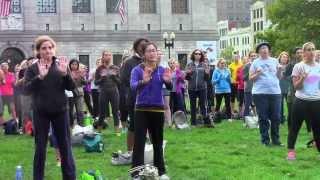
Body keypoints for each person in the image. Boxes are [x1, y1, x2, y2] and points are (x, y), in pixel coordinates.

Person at [23, 35, 75, 180]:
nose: (48, 51)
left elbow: (71, 88)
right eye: (44, 48)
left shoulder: (61, 65)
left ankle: (70, 177)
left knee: (65, 146)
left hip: (60, 111)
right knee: (40, 148)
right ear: (38, 51)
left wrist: (65, 74)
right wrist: (39, 77)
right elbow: (26, 90)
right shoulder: (33, 68)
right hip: (41, 112)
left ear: (54, 49)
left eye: (50, 47)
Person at [130, 42, 171, 180]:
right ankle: (136, 173)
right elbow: (133, 87)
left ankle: (161, 171)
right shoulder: (137, 70)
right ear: (144, 54)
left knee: (157, 141)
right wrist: (144, 81)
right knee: (139, 142)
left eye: (154, 50)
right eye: (149, 51)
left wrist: (168, 81)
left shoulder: (161, 70)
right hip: (141, 109)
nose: (152, 53)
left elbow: (169, 86)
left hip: (158, 110)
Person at [287, 42, 320, 160]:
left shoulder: (319, 67)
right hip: (301, 101)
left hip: (316, 101)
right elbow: (296, 87)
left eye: (313, 49)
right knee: (295, 127)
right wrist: (302, 78)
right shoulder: (298, 66)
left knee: (317, 129)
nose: (311, 52)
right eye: (308, 49)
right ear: (304, 52)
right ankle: (291, 152)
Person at [249, 42, 283, 146]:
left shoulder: (274, 61)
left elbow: (279, 77)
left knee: (276, 117)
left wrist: (280, 70)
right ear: (259, 51)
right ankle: (265, 141)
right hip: (260, 93)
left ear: (269, 50)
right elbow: (251, 78)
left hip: (275, 92)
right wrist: (258, 73)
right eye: (262, 48)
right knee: (263, 117)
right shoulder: (255, 63)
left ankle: (276, 140)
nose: (264, 50)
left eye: (266, 48)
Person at [120, 38, 149, 154]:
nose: (143, 47)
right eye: (142, 46)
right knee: (133, 125)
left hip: (150, 98)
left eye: (146, 45)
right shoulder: (129, 62)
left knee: (150, 124)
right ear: (136, 47)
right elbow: (124, 79)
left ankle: (149, 150)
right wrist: (139, 83)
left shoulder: (150, 60)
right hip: (134, 98)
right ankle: (130, 151)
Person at [95, 50, 121, 133]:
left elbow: (120, 82)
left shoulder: (115, 68)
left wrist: (114, 77)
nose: (108, 57)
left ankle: (117, 131)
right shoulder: (99, 68)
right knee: (102, 112)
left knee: (115, 112)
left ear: (111, 57)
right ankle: (99, 131)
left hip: (114, 91)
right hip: (103, 92)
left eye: (109, 55)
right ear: (103, 57)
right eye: (106, 55)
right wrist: (102, 78)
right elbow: (96, 82)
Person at [185, 49, 213, 127]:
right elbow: (187, 78)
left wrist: (207, 74)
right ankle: (193, 123)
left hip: (202, 88)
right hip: (192, 88)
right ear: (193, 55)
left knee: (203, 105)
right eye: (196, 53)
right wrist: (188, 74)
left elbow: (207, 79)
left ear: (201, 56)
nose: (198, 55)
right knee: (193, 105)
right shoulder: (189, 65)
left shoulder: (204, 65)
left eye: (199, 54)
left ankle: (206, 122)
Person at [69, 59, 86, 127]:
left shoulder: (80, 72)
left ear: (78, 65)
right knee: (71, 111)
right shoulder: (68, 73)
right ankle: (72, 125)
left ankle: (81, 124)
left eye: (76, 64)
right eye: (72, 64)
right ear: (70, 65)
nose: (74, 66)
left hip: (79, 94)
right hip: (70, 94)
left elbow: (85, 82)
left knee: (80, 110)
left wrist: (82, 77)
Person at [158, 49, 172, 126]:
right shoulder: (153, 63)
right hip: (158, 88)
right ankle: (161, 122)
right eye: (158, 54)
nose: (159, 55)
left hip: (165, 87)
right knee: (159, 105)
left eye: (161, 54)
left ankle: (169, 123)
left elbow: (168, 75)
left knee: (166, 105)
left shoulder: (165, 64)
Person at [278, 52, 290, 124]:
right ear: (280, 58)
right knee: (280, 105)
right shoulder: (277, 66)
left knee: (289, 104)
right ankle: (281, 119)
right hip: (279, 87)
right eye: (283, 57)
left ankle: (290, 119)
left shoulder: (290, 66)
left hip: (288, 87)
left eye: (286, 57)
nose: (285, 58)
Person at [243, 51, 257, 117]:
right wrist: (250, 72)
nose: (253, 57)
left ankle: (257, 118)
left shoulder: (259, 64)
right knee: (247, 104)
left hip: (258, 88)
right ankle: (246, 119)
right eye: (252, 56)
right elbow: (244, 78)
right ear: (249, 57)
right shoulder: (246, 66)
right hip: (249, 88)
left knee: (257, 104)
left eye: (254, 55)